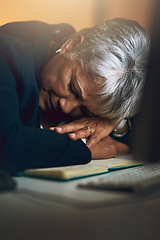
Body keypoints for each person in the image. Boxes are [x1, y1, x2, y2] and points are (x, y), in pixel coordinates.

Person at [0, 18, 149, 175]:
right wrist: (84, 147)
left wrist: (111, 121)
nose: (66, 106)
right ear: (71, 45)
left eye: (85, 110)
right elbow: (6, 143)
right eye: (73, 87)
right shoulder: (7, 50)